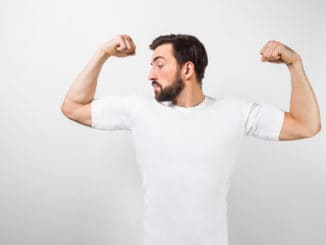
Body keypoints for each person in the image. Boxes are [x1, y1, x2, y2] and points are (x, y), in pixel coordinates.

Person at [61, 34, 321, 245]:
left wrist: (294, 63)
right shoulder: (138, 109)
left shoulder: (234, 112)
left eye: (159, 65)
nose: (150, 74)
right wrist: (102, 54)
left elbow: (306, 125)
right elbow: (72, 107)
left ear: (187, 69)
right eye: (151, 65)